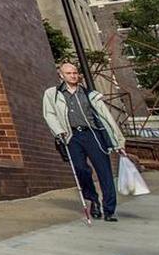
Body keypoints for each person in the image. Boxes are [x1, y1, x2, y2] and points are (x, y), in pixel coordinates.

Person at [42, 62, 127, 221]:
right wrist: (58, 131)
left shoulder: (90, 94)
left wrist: (118, 142)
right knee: (81, 170)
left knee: (105, 172)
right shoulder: (52, 94)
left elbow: (107, 119)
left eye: (75, 73)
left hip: (93, 135)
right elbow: (49, 114)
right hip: (72, 136)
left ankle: (109, 210)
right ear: (61, 75)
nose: (73, 76)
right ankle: (93, 200)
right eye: (69, 73)